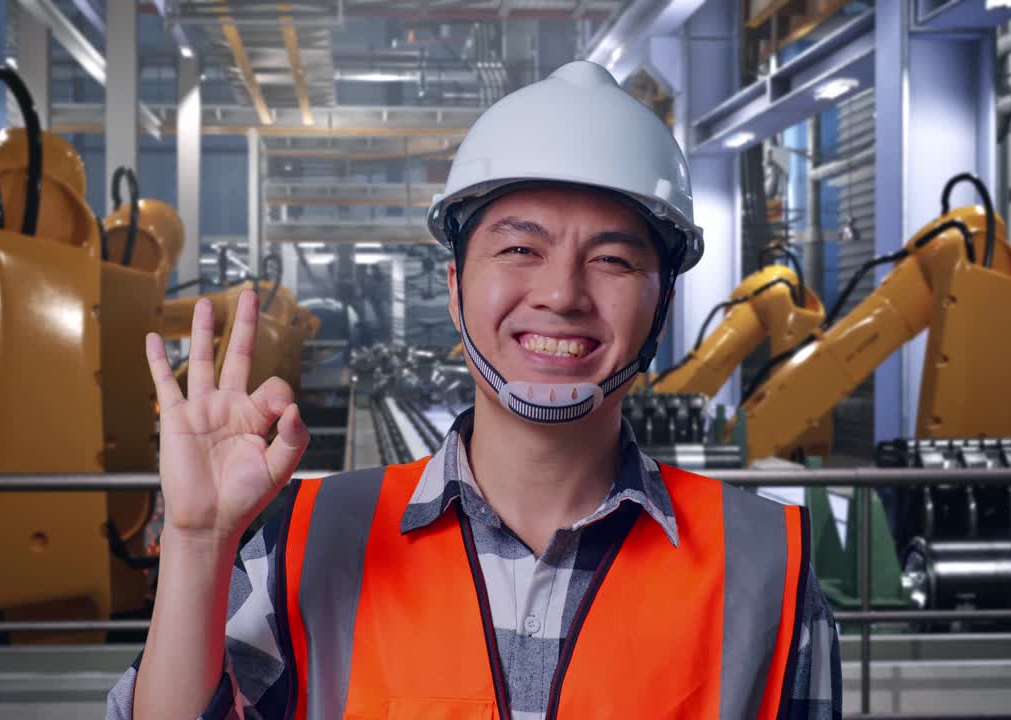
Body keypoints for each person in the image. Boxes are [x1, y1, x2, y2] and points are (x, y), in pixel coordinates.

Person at [108, 60, 841, 720]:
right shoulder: (309, 540)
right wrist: (198, 544)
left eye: (613, 260)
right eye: (521, 248)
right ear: (456, 288)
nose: (561, 292)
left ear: (661, 304)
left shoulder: (766, 568)